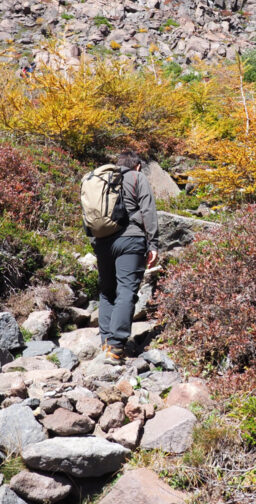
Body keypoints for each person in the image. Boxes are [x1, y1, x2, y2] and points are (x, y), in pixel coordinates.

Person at [91, 150, 159, 363]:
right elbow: (148, 210)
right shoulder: (137, 177)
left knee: (107, 292)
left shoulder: (103, 179)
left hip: (102, 242)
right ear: (137, 165)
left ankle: (106, 342)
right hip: (131, 241)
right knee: (126, 290)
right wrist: (154, 243)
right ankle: (116, 346)